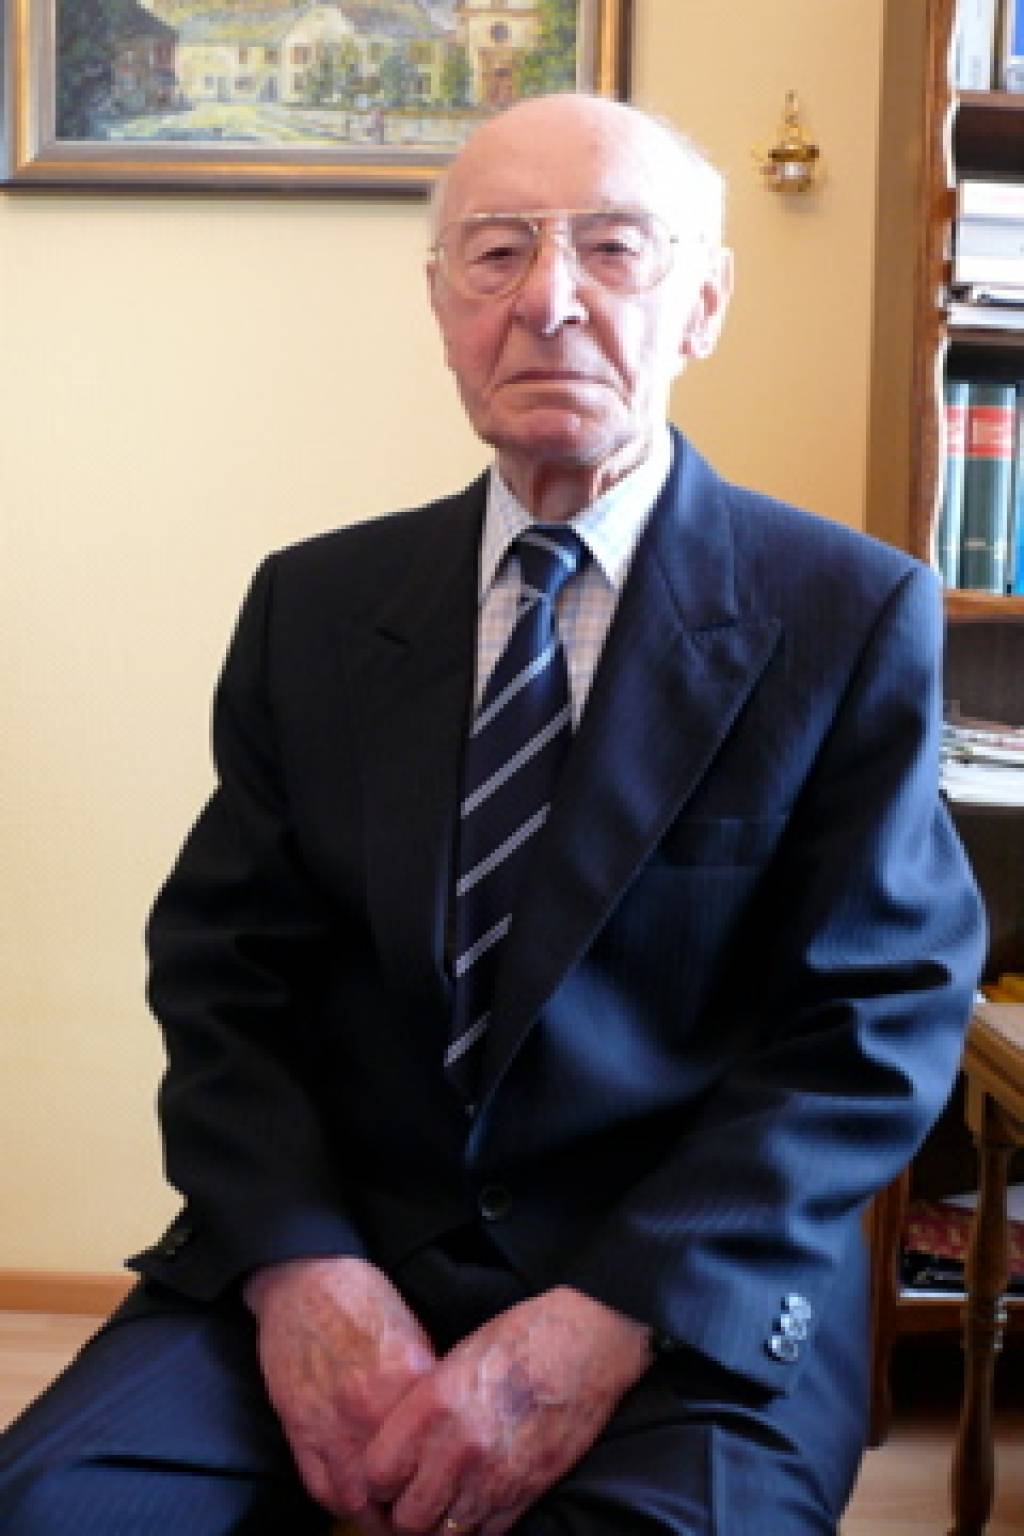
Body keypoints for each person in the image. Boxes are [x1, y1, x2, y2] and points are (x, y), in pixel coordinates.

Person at [0, 93, 985, 1536]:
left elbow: (873, 1020)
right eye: (498, 251)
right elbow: (225, 982)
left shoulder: (844, 612)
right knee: (49, 1509)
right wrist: (302, 1269)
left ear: (705, 303)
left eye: (614, 249)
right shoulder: (315, 606)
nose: (548, 300)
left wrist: (608, 1315)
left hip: (677, 1286)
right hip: (343, 1249)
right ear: (442, 305)